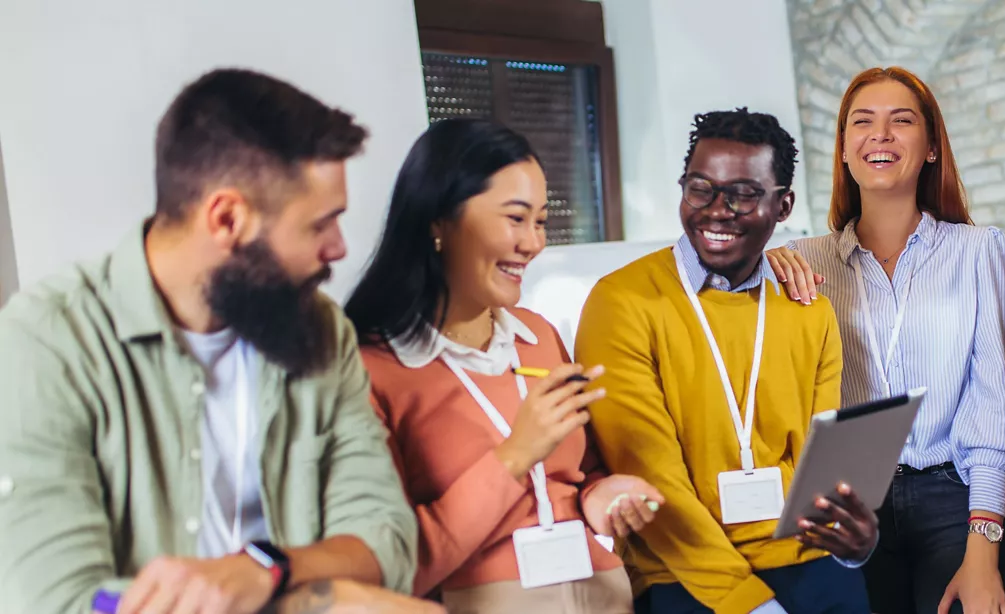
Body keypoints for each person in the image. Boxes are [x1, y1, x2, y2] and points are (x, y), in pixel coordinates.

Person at [0, 68, 438, 613]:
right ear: (228, 217)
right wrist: (320, 600)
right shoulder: (48, 341)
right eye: (319, 225)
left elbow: (385, 538)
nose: (340, 248)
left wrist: (264, 568)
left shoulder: (322, 331)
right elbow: (58, 599)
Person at [344, 118, 663, 613]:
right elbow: (393, 566)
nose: (533, 243)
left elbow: (583, 472)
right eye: (515, 219)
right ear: (437, 222)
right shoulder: (372, 370)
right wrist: (516, 454)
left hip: (602, 596)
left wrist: (604, 496)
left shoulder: (539, 336)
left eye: (539, 221)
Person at [574, 108, 879, 614]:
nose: (716, 210)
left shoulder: (808, 308)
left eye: (742, 194)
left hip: (810, 562)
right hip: (684, 578)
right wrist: (749, 603)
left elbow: (819, 471)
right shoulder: (621, 302)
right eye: (700, 188)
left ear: (783, 206)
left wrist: (854, 545)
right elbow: (652, 485)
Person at [765, 66, 1005, 614]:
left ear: (931, 146)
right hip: (849, 502)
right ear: (842, 148)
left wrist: (983, 551)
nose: (880, 135)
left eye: (901, 121)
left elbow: (994, 404)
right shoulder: (801, 265)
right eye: (863, 121)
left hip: (955, 503)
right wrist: (761, 266)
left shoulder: (980, 252)